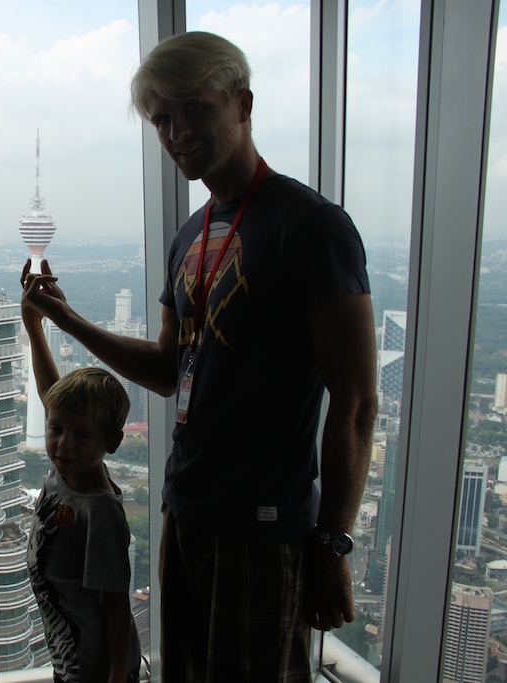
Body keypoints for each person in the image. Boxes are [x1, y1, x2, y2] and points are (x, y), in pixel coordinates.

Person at [21, 30, 378, 681]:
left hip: (264, 525)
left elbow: (355, 402)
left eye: (194, 108)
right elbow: (166, 366)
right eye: (162, 118)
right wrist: (64, 317)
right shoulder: (192, 234)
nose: (177, 130)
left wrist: (331, 544)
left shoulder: (311, 228)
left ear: (241, 104)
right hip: (188, 511)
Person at [21, 291, 142, 683]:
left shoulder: (99, 511)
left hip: (94, 667)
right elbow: (49, 393)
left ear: (112, 442)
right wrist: (34, 327)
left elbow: (115, 603)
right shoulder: (66, 470)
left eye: (82, 435)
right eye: (56, 429)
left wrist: (116, 677)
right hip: (69, 656)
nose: (63, 443)